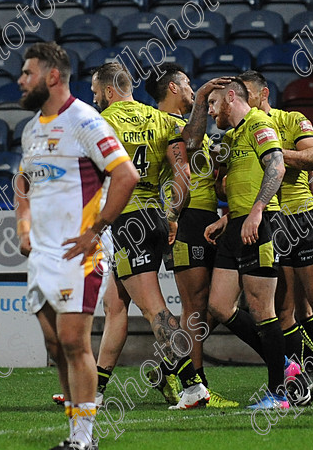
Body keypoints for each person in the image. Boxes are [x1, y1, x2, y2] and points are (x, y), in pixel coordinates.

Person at [15, 43, 138, 450]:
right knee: (54, 346)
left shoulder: (85, 120)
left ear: (52, 76)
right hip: (42, 255)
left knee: (73, 341)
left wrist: (98, 228)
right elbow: (23, 183)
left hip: (78, 253)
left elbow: (126, 175)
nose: (21, 80)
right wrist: (23, 223)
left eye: (28, 73)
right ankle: (73, 433)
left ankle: (85, 437)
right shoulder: (32, 129)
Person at [91, 61, 211, 411]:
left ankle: (193, 386)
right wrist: (172, 214)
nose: (95, 98)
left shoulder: (101, 123)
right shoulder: (162, 120)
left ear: (110, 91)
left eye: (97, 92)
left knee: (155, 310)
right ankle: (94, 392)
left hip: (126, 222)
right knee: (115, 304)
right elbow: (183, 172)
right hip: (156, 218)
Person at [239, 70, 313, 405]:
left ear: (263, 94)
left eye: (245, 93)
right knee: (284, 310)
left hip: (301, 217)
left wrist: (273, 153)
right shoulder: (239, 131)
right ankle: (301, 380)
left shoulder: (290, 119)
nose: (238, 100)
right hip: (268, 222)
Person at [188, 77, 290, 410]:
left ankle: (279, 394)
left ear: (231, 97)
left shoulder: (260, 123)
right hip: (236, 225)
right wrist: (228, 217)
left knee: (263, 310)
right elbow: (193, 144)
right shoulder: (232, 137)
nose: (212, 111)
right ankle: (285, 363)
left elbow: (277, 167)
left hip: (259, 224)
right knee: (219, 306)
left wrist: (257, 211)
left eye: (215, 104)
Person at [145, 63, 239, 408]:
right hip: (185, 219)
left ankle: (171, 366)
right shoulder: (168, 125)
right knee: (197, 307)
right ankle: (195, 385)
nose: (191, 88)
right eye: (187, 84)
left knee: (218, 303)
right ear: (173, 87)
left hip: (205, 216)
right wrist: (202, 99)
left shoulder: (182, 125)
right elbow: (192, 143)